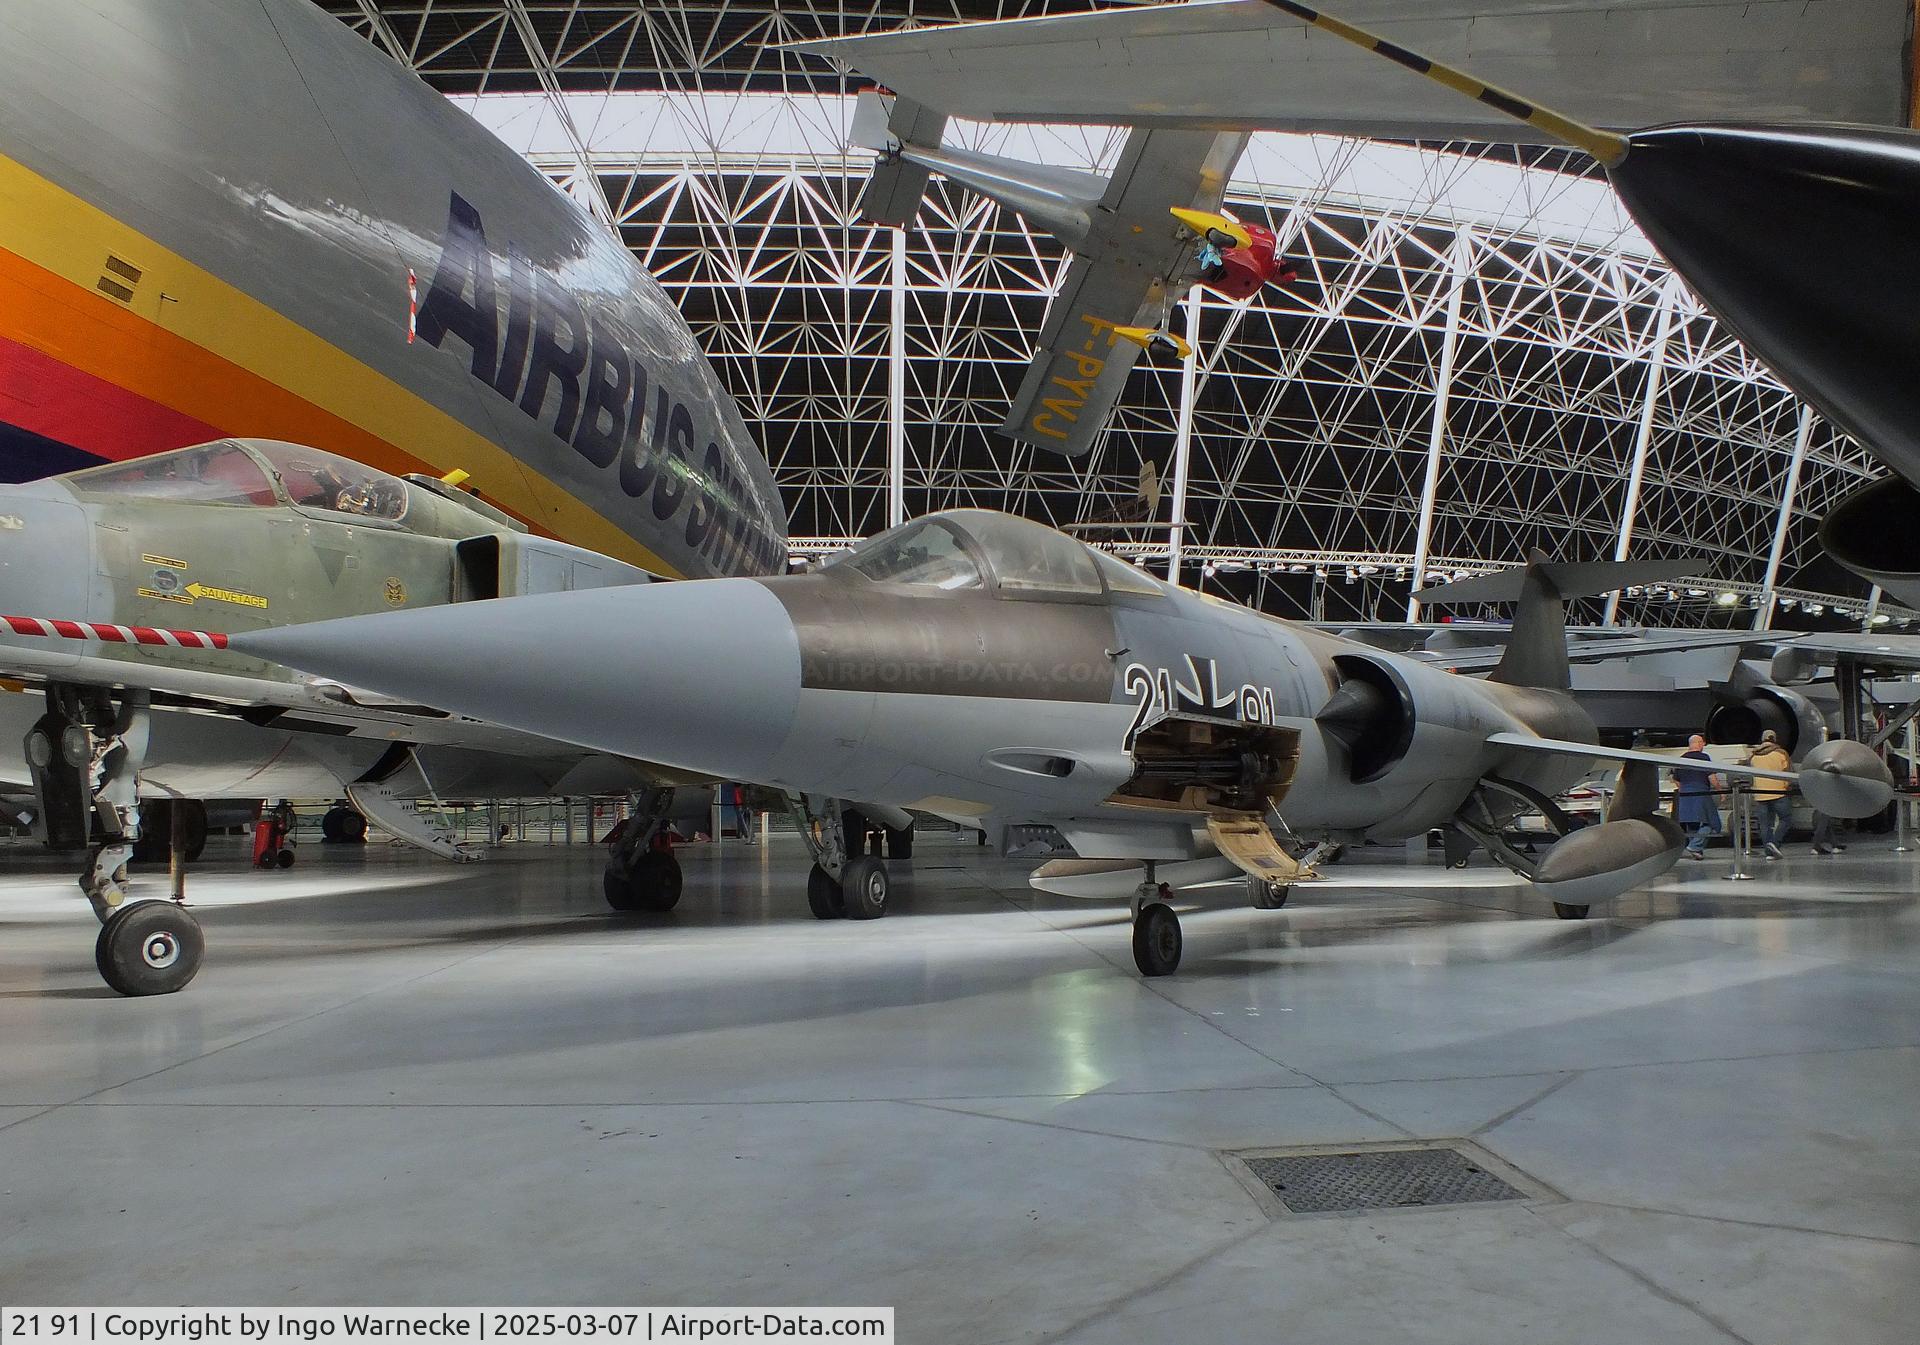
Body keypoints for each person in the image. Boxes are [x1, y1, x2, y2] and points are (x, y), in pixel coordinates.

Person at [1672, 734, 1722, 860]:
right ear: (1699, 743)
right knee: (1711, 822)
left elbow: (1676, 780)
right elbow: (1712, 778)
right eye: (1703, 743)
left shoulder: (1681, 759)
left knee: (1692, 824)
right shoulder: (1704, 758)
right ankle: (1695, 846)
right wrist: (1720, 791)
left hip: (1685, 795)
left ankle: (1697, 851)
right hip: (1701, 794)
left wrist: (1683, 788)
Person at [1750, 729, 1795, 859]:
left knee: (1765, 825)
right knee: (1786, 819)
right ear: (1774, 739)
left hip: (1760, 794)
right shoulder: (1781, 753)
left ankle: (1769, 852)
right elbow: (1788, 772)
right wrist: (1787, 786)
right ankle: (1775, 843)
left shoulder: (1754, 756)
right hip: (1778, 792)